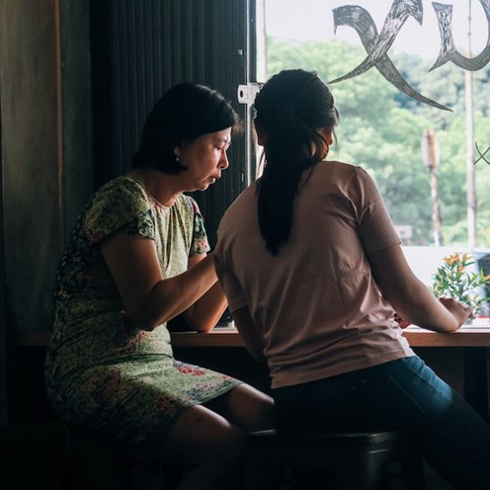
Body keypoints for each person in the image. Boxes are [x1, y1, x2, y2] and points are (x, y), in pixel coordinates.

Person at [214, 69, 490, 489]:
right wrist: (450, 316)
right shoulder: (347, 182)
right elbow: (406, 293)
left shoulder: (229, 224)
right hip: (375, 375)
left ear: (259, 134)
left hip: (294, 400)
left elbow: (259, 348)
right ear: (328, 130)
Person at [44, 82, 275, 490]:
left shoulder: (188, 210)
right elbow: (147, 311)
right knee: (222, 444)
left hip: (156, 367)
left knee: (269, 418)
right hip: (92, 369)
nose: (224, 162)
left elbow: (202, 318)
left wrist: (238, 250)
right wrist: (224, 257)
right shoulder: (124, 198)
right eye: (218, 146)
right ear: (179, 145)